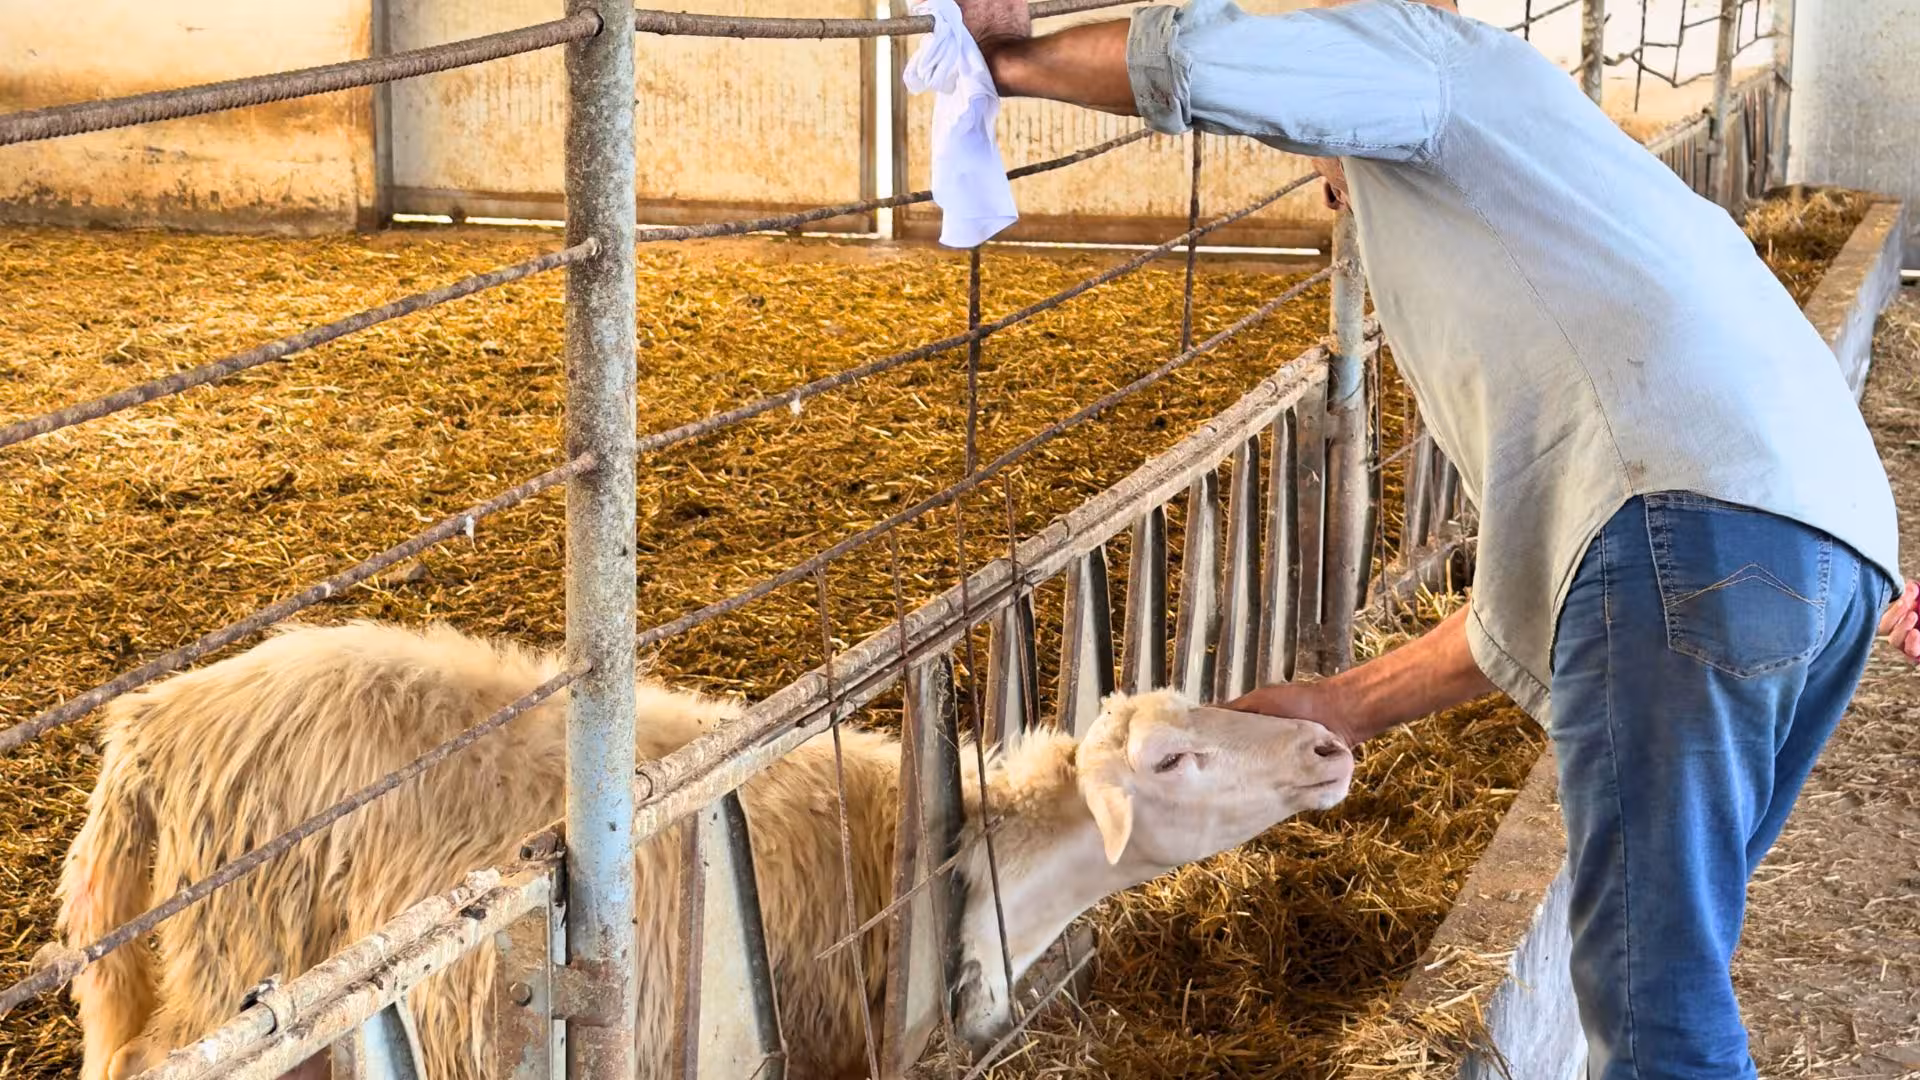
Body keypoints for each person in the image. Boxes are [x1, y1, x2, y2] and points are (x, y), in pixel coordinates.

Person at [949, 0, 1920, 1075]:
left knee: (1655, 1006)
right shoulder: (1559, 193)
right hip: (1827, 553)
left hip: (1700, 544)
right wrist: (1341, 705)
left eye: (1326, 178)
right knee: (1671, 963)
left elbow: (1201, 55)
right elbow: (1567, 580)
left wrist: (1006, 65)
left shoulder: (1427, 63)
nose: (1332, 203)